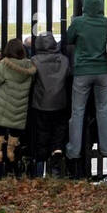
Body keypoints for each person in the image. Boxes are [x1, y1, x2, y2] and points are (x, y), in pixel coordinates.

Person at [66, 0, 107, 176]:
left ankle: (74, 150)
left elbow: (68, 39)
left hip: (82, 71)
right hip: (103, 71)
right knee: (103, 110)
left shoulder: (78, 22)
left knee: (77, 112)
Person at [0, 38, 36, 178]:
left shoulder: (4, 65)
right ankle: (12, 173)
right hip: (19, 111)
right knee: (12, 146)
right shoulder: (29, 67)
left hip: (2, 109)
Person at [29, 31, 71, 178]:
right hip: (60, 103)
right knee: (58, 134)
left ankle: (39, 170)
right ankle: (56, 169)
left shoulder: (34, 60)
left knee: (42, 134)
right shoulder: (64, 60)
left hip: (41, 103)